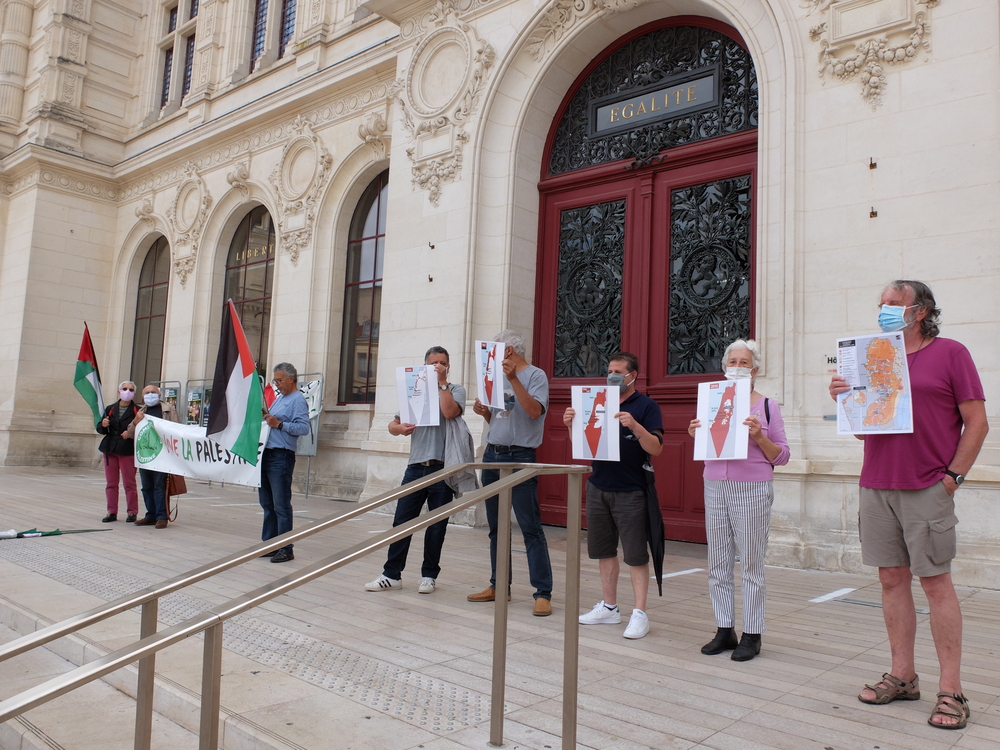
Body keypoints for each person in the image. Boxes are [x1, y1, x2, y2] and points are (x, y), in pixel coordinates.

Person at [829, 280, 988, 730]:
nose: (884, 308)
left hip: (928, 487)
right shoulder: (872, 354)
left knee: (936, 584)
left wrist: (952, 479)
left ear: (920, 311)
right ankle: (903, 676)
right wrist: (845, 399)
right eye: (881, 302)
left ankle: (952, 690)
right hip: (877, 482)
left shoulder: (951, 353)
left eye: (893, 303)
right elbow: (866, 430)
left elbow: (977, 422)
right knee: (891, 581)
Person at [687, 339, 790, 661]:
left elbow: (783, 456)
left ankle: (752, 633)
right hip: (715, 484)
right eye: (733, 361)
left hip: (753, 487)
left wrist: (759, 435)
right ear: (724, 367)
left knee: (751, 563)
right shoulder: (712, 402)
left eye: (744, 362)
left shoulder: (767, 406)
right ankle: (723, 628)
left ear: (755, 369)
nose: (737, 366)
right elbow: (707, 442)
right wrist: (695, 433)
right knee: (717, 561)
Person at [563, 352, 663, 639]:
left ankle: (640, 613)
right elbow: (582, 446)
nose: (612, 377)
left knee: (635, 554)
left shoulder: (646, 406)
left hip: (631, 488)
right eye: (609, 371)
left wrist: (635, 425)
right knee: (603, 550)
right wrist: (571, 425)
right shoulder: (597, 401)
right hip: (598, 485)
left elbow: (656, 447)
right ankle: (609, 607)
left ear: (633, 375)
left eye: (619, 372)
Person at [365, 346, 468, 594]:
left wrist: (442, 383)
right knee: (402, 521)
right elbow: (393, 424)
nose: (438, 367)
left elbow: (450, 411)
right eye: (434, 363)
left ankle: (429, 575)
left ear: (448, 366)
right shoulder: (416, 390)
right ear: (425, 366)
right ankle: (391, 574)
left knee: (436, 525)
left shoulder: (455, 390)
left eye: (443, 363)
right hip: (415, 466)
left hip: (442, 468)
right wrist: (397, 429)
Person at [468, 330, 554, 616]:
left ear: (509, 351)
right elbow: (500, 417)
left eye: (498, 350)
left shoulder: (536, 376)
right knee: (497, 527)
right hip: (494, 453)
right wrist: (484, 413)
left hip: (521, 456)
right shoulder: (493, 376)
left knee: (530, 527)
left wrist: (513, 379)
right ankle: (499, 585)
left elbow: (533, 412)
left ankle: (542, 593)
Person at [259, 363, 310, 563]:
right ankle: (270, 543)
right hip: (267, 453)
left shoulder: (297, 400)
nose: (277, 384)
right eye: (275, 381)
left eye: (280, 380)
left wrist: (279, 424)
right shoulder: (280, 399)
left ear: (291, 378)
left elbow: (303, 428)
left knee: (280, 503)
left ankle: (286, 547)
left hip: (281, 455)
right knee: (267, 503)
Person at [134, 384, 181, 529]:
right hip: (145, 455)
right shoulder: (140, 411)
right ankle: (151, 515)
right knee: (146, 486)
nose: (150, 395)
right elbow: (129, 433)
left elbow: (177, 429)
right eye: (147, 393)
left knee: (159, 486)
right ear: (142, 397)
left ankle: (162, 516)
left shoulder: (168, 410)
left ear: (159, 395)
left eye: (153, 392)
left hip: (162, 455)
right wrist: (136, 421)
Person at [96, 381, 143, 523]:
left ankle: (132, 512)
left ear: (134, 393)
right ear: (119, 392)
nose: (127, 392)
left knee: (129, 483)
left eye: (130, 389)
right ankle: (111, 511)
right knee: (111, 483)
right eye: (124, 389)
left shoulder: (138, 411)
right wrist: (103, 425)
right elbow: (100, 429)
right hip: (110, 448)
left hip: (128, 449)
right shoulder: (110, 408)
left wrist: (131, 433)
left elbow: (142, 431)